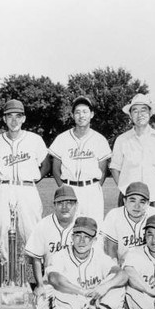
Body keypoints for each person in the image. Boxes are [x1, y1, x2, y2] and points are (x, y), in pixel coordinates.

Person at [0, 99, 50, 261]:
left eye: (18, 116)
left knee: (33, 230)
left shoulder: (35, 139)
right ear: (4, 119)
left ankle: (39, 279)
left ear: (24, 118)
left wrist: (33, 180)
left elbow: (46, 164)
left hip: (27, 188)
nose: (14, 120)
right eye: (10, 116)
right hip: (5, 188)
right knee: (0, 231)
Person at [47, 217, 127, 309]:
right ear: (72, 237)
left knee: (116, 283)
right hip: (70, 304)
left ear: (94, 240)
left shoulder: (99, 256)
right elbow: (53, 279)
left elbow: (123, 275)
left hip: (94, 303)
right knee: (60, 293)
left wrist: (105, 286)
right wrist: (81, 291)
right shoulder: (60, 256)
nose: (82, 241)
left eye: (87, 237)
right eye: (78, 236)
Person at [49, 96, 111, 224]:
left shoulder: (99, 139)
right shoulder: (62, 138)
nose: (81, 115)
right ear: (72, 115)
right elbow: (55, 169)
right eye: (77, 112)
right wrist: (64, 187)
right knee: (68, 228)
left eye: (85, 112)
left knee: (95, 226)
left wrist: (95, 187)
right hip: (69, 187)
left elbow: (103, 170)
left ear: (91, 114)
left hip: (92, 189)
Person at [110, 94, 155, 208]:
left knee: (154, 226)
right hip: (127, 198)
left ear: (150, 113)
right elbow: (115, 168)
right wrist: (125, 190)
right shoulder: (122, 140)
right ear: (130, 115)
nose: (139, 115)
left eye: (143, 110)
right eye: (135, 111)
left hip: (154, 198)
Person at [24, 185, 78, 309]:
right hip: (50, 280)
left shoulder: (82, 223)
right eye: (60, 203)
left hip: (77, 278)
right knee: (38, 306)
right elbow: (36, 257)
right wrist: (39, 285)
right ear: (54, 205)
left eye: (69, 203)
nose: (65, 207)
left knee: (78, 305)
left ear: (76, 205)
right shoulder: (43, 225)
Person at [101, 181, 155, 264]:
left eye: (142, 202)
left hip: (150, 264)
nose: (137, 206)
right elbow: (111, 249)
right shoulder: (114, 215)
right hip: (122, 264)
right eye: (132, 200)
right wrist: (116, 268)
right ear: (124, 201)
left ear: (148, 203)